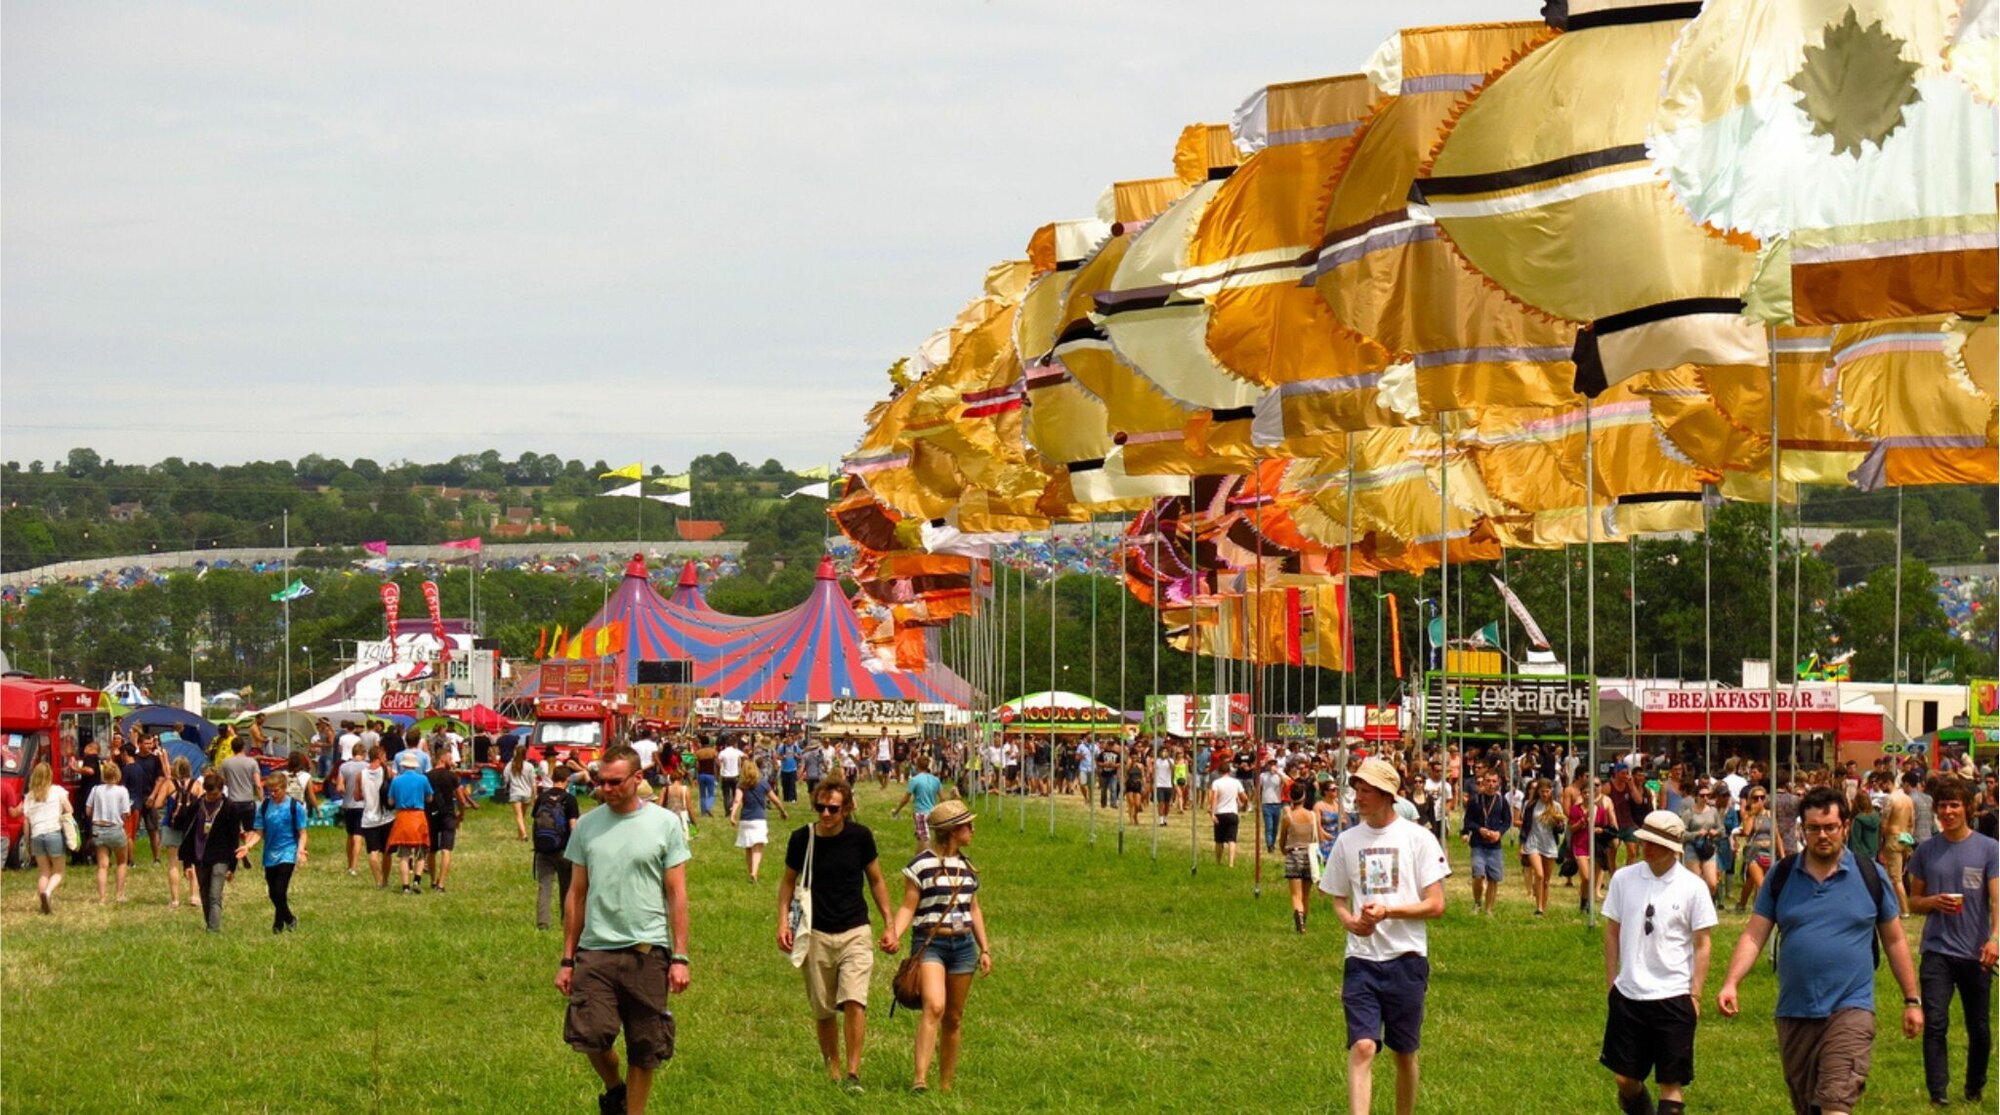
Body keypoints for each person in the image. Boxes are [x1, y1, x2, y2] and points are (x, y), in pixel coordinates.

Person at [1717, 786, 1922, 1115]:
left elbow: (1895, 940)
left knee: (1834, 1104)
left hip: (1850, 1009)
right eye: (1813, 828)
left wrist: (1911, 999)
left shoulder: (1871, 875)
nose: (1822, 835)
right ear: (1802, 830)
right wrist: (1731, 982)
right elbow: (1755, 934)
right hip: (1794, 1013)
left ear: (1846, 826)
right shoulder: (1782, 875)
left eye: (1830, 827)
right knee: (1808, 1106)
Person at [554, 745, 692, 1115]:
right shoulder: (586, 826)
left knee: (646, 1045)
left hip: (648, 950)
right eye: (601, 781)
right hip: (595, 949)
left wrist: (680, 956)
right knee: (589, 1034)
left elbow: (677, 894)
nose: (606, 788)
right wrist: (567, 958)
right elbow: (576, 894)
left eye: (615, 782)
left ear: (637, 779)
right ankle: (615, 1087)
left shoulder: (664, 824)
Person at [1321, 758, 1449, 1115]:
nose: (1357, 798)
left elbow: (1436, 905)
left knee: (1404, 1053)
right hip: (1361, 959)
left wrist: (1388, 912)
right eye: (1356, 790)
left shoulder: (1418, 838)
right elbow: (1337, 897)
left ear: (1387, 796)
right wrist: (1348, 921)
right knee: (1363, 1047)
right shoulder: (1348, 841)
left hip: (1406, 959)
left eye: (1365, 792)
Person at [775, 777, 897, 1094]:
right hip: (815, 932)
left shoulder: (861, 837)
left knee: (855, 1000)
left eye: (833, 809)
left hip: (856, 929)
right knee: (824, 1008)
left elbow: (877, 881)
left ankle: (853, 1073)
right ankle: (833, 1070)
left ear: (847, 808)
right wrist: (782, 923)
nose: (826, 814)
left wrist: (890, 922)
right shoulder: (802, 839)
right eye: (821, 808)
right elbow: (788, 883)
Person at [1600, 810, 1716, 1115]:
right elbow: (1612, 932)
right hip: (1629, 994)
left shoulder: (1693, 887)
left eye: (1654, 843)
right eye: (1644, 841)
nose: (1646, 848)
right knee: (1625, 1078)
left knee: (1671, 1082)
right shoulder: (1624, 879)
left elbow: (1703, 944)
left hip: (1674, 996)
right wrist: (1612, 981)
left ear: (1672, 849)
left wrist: (1695, 994)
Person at [1905, 775, 1999, 1105]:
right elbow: (1913, 902)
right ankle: (1938, 1095)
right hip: (1937, 951)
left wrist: (1995, 939)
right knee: (1935, 1024)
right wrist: (1933, 902)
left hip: (1976, 953)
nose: (1947, 811)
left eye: (1954, 805)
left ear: (1968, 809)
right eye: (1942, 805)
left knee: (1980, 1029)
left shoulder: (1990, 849)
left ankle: (1974, 1087)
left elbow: (1997, 899)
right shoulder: (1926, 851)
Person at [886, 799, 991, 1094]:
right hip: (930, 942)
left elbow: (975, 909)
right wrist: (894, 932)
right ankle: (920, 1079)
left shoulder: (968, 868)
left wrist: (985, 948)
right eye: (967, 825)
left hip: (964, 946)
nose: (972, 829)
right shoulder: (920, 865)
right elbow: (909, 906)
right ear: (952, 830)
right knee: (934, 1005)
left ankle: (945, 1084)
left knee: (954, 1017)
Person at [177, 770, 259, 933]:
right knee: (205, 894)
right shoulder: (196, 807)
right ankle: (210, 923)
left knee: (215, 895)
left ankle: (213, 930)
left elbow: (233, 838)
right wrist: (187, 863)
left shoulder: (230, 808)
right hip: (200, 856)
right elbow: (187, 835)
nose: (213, 797)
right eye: (210, 794)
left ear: (222, 790)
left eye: (216, 794)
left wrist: (232, 867)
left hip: (221, 857)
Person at [11, 762, 71, 914]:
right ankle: (48, 892)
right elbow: (69, 810)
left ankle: (43, 903)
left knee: (44, 872)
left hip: (36, 836)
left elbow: (26, 821)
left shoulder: (29, 797)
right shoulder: (57, 791)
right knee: (59, 871)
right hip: (53, 833)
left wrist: (28, 843)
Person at [254, 771, 309, 933]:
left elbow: (302, 833)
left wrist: (300, 851)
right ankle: (289, 919)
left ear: (284, 788)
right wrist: (247, 846)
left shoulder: (295, 807)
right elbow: (258, 832)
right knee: (273, 893)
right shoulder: (264, 806)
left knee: (280, 890)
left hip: (288, 851)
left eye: (276, 790)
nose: (273, 794)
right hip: (270, 854)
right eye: (270, 790)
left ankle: (278, 925)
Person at [532, 780, 582, 931]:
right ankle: (566, 920)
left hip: (543, 850)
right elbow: (573, 825)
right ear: (567, 781)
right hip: (563, 850)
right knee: (566, 887)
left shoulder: (542, 797)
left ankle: (543, 923)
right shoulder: (569, 799)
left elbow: (535, 819)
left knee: (544, 887)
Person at [1462, 768, 1511, 917]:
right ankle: (1477, 902)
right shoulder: (1475, 800)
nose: (1490, 784)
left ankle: (1489, 909)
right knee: (1478, 874)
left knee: (1493, 878)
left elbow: (1507, 821)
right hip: (1478, 844)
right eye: (1488, 781)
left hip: (1494, 846)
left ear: (1498, 783)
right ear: (1483, 781)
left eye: (1494, 781)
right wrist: (1479, 829)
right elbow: (1467, 821)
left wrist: (1499, 833)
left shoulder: (1502, 801)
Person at [385, 751, 434, 894]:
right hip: (418, 817)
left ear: (403, 765)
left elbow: (390, 801)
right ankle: (417, 881)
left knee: (404, 855)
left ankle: (405, 886)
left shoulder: (396, 780)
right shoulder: (423, 779)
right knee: (421, 852)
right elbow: (430, 798)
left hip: (402, 818)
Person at [730, 761, 787, 882]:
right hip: (759, 819)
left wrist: (732, 815)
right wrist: (782, 811)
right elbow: (775, 800)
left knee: (748, 848)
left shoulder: (741, 785)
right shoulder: (763, 783)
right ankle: (754, 872)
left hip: (745, 819)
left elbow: (737, 800)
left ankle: (751, 872)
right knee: (758, 848)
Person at [85, 761, 133, 903]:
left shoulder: (96, 789)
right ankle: (119, 895)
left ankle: (102, 897)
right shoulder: (122, 791)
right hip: (115, 828)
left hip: (99, 829)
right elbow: (126, 813)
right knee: (122, 862)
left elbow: (88, 810)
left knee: (102, 865)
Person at [427, 746, 471, 892]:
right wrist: (461, 814)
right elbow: (461, 799)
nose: (452, 761)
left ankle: (433, 880)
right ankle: (441, 884)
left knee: (432, 850)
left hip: (431, 815)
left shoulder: (427, 776)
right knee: (446, 849)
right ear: (443, 758)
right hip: (448, 815)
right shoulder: (451, 776)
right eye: (450, 758)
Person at [1522, 778, 1564, 918]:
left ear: (1551, 791)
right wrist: (1522, 844)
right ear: (1538, 792)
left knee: (1546, 880)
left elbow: (1561, 829)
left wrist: (1557, 823)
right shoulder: (1531, 805)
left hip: (1549, 843)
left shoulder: (1556, 806)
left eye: (1547, 791)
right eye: (1542, 791)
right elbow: (1525, 826)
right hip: (1533, 842)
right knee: (1539, 875)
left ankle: (1543, 907)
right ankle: (1538, 907)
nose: (1544, 794)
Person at [1279, 783, 1317, 933]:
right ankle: (1304, 923)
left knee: (1296, 894)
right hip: (1309, 854)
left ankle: (1299, 924)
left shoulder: (1288, 817)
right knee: (1306, 895)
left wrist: (1284, 851)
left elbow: (1282, 840)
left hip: (1294, 853)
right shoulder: (1312, 815)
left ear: (1290, 797)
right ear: (1304, 796)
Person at [889, 757, 943, 847]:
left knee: (924, 842)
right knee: (928, 838)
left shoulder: (914, 780)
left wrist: (896, 811)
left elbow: (906, 799)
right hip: (933, 813)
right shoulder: (936, 780)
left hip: (920, 813)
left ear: (917, 766)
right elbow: (943, 798)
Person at [1208, 762, 1246, 868]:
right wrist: (1242, 805)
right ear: (1229, 771)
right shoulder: (1236, 782)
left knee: (1219, 840)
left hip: (1220, 813)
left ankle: (1218, 862)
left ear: (1219, 772)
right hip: (1232, 813)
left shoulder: (1216, 782)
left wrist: (1213, 813)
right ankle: (1231, 863)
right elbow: (1245, 797)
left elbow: (1214, 798)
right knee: (1232, 840)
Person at [507, 744, 544, 839]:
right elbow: (533, 783)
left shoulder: (511, 765)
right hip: (526, 793)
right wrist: (535, 795)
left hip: (515, 792)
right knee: (522, 815)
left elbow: (505, 778)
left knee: (518, 816)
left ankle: (523, 835)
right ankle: (520, 835)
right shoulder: (529, 766)